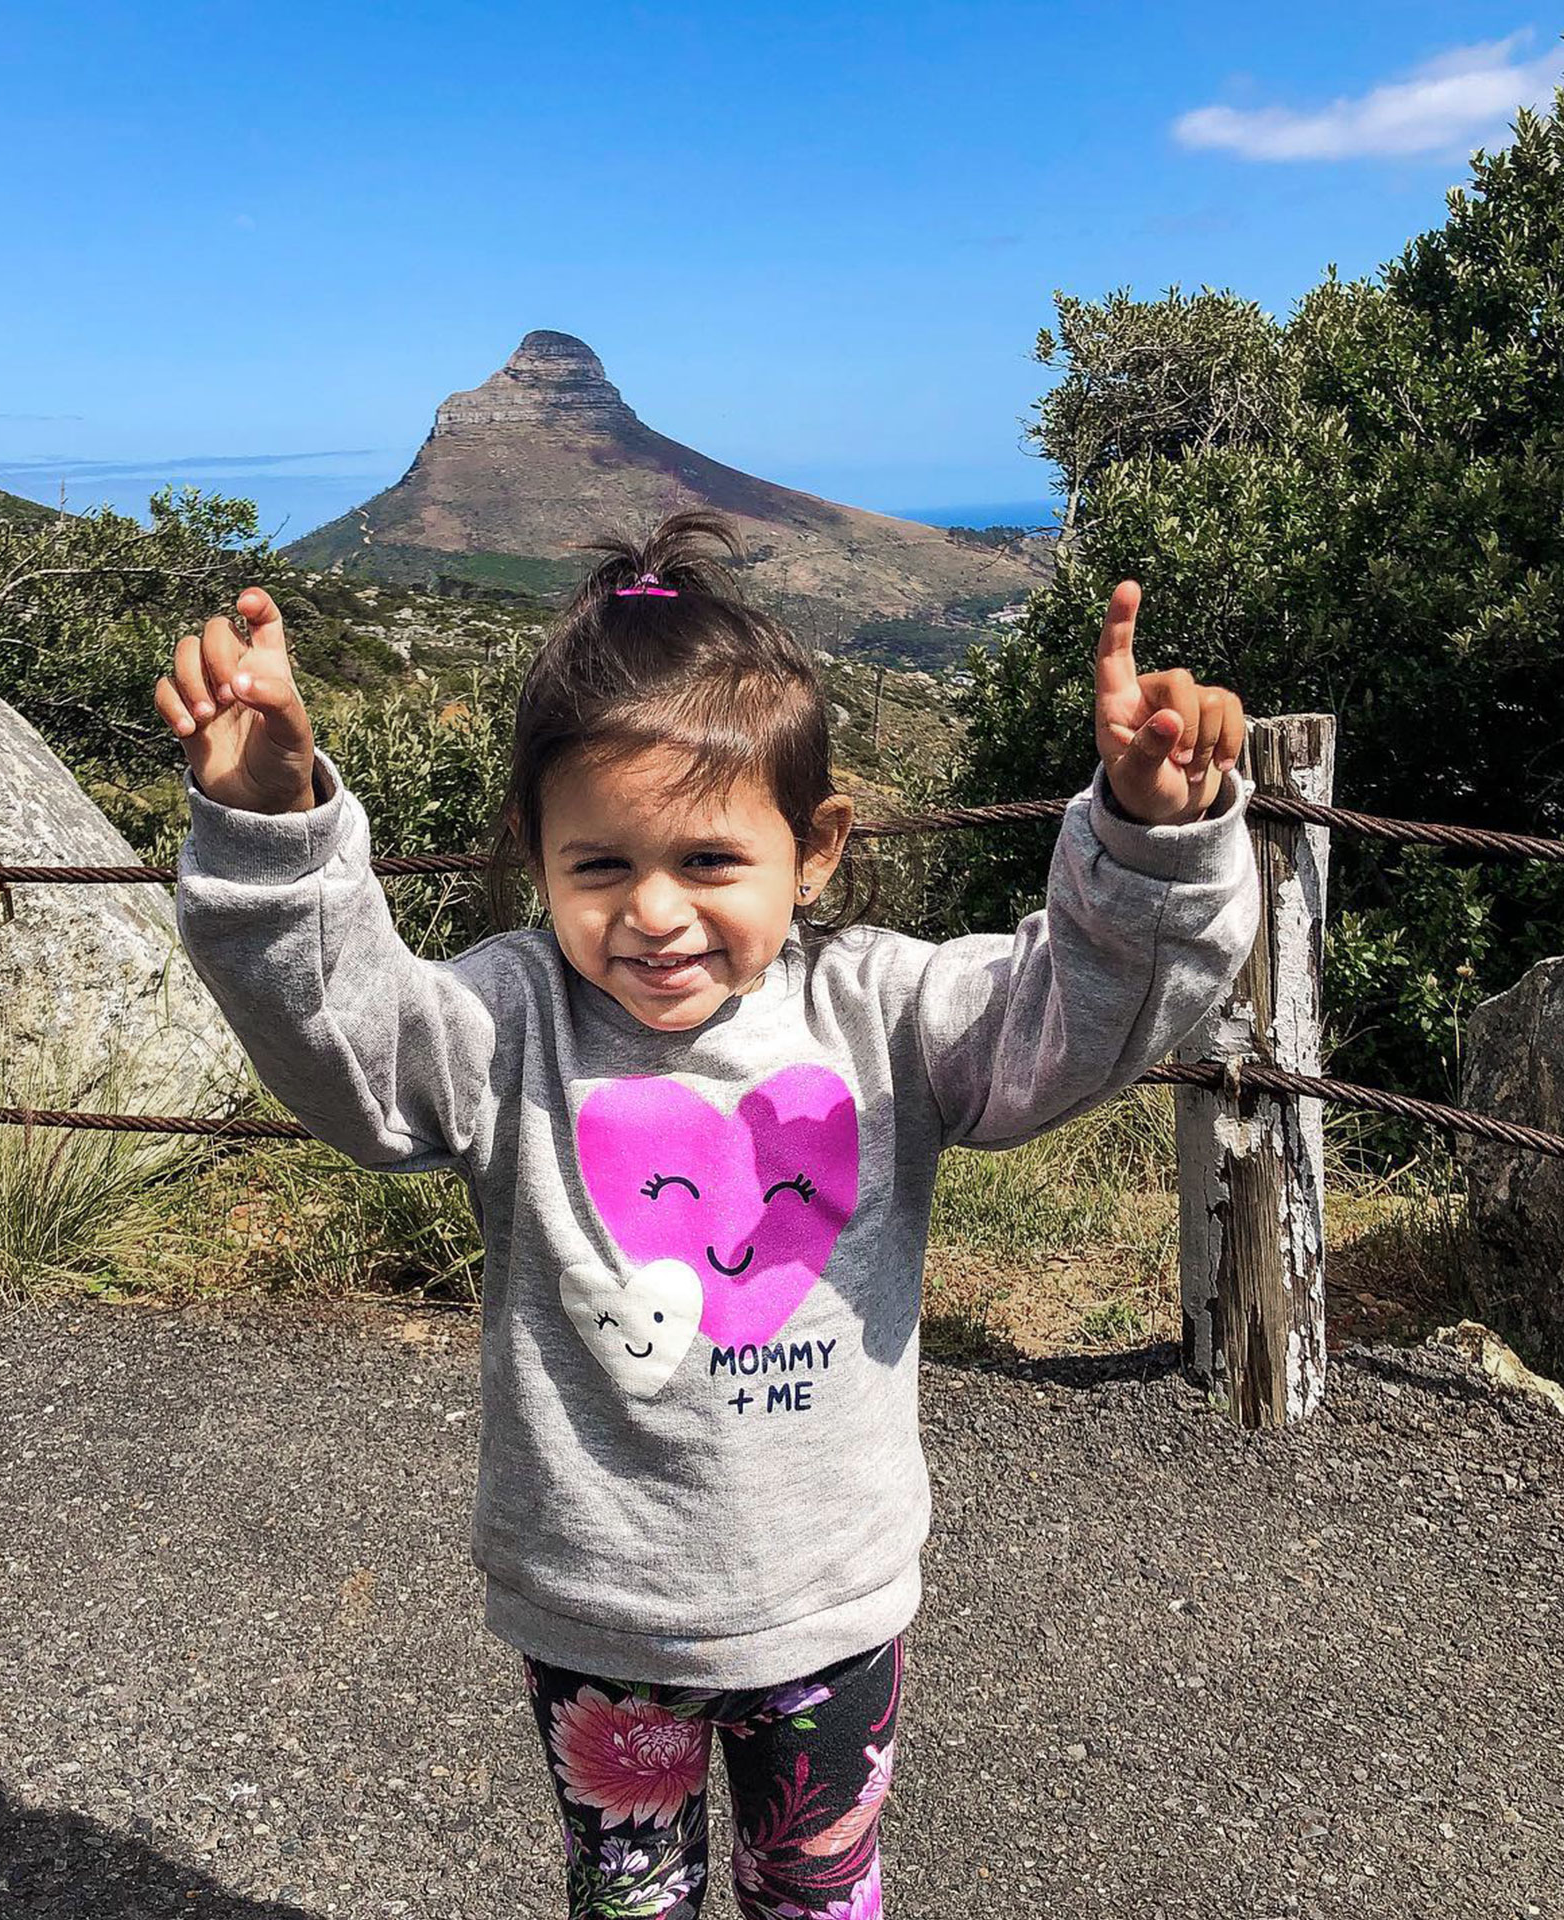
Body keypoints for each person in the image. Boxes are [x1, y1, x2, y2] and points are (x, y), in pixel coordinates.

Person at [155, 508, 1258, 1919]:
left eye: (712, 862)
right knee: (628, 1900)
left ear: (815, 852)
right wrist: (269, 836)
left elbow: (1075, 1024)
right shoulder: (507, 1023)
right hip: (595, 1605)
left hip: (828, 1602)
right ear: (535, 855)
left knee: (818, 1886)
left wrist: (1152, 851)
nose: (655, 913)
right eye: (600, 865)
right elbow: (351, 1053)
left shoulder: (887, 1013)